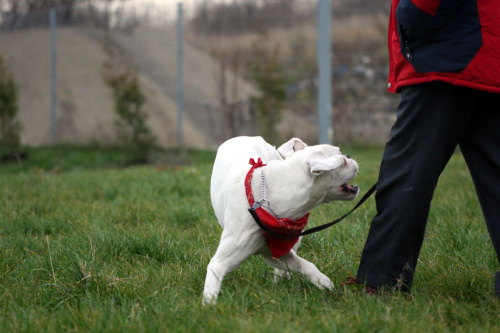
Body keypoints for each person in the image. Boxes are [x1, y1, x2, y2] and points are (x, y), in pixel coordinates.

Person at [347, 0, 500, 296]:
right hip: (488, 54)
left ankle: (383, 281)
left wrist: (412, 14)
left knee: (407, 174)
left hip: (446, 56)